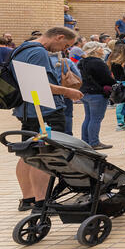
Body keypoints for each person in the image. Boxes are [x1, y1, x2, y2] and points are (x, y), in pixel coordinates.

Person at [11, 27, 81, 211]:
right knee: (44, 155)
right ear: (59, 37)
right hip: (44, 111)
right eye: (65, 45)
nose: (62, 50)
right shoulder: (39, 52)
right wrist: (67, 91)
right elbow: (37, 84)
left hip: (27, 110)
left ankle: (28, 199)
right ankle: (42, 201)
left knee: (27, 153)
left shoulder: (21, 48)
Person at [77, 41, 115, 150]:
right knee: (96, 119)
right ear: (95, 50)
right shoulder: (98, 63)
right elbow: (106, 79)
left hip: (85, 92)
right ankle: (94, 142)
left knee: (88, 118)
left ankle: (85, 141)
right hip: (97, 93)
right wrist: (115, 84)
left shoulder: (82, 62)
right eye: (100, 48)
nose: (102, 49)